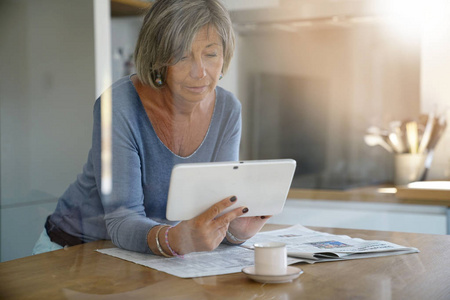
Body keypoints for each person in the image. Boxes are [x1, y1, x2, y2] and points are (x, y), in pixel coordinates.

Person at [32, 0, 270, 257]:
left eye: (211, 55)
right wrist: (175, 239)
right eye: (182, 56)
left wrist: (236, 230)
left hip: (147, 256)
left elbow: (214, 211)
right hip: (73, 251)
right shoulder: (120, 106)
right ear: (158, 58)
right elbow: (122, 218)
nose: (200, 72)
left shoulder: (228, 111)